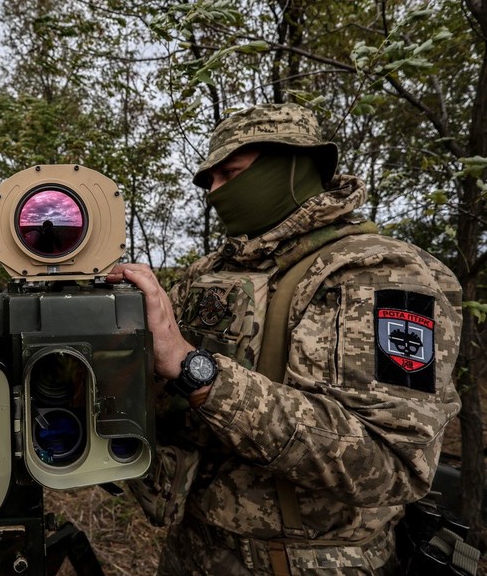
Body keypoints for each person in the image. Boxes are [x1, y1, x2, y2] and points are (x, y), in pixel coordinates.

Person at [106, 103, 462, 575]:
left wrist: (196, 369)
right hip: (193, 548)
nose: (213, 192)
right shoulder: (210, 273)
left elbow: (388, 462)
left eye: (229, 173)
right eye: (208, 180)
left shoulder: (383, 275)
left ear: (291, 166)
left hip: (302, 563)